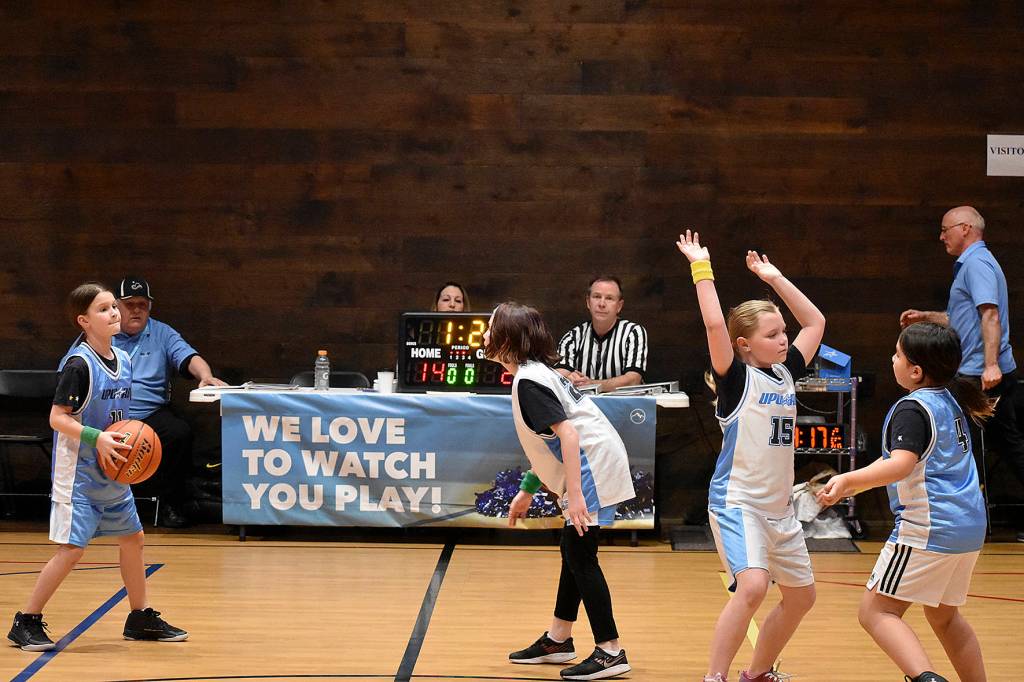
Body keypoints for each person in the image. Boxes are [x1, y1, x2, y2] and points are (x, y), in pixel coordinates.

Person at [676, 230, 825, 682]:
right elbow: (716, 326)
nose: (785, 340)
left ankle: (756, 672)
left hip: (780, 510)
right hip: (738, 504)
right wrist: (701, 268)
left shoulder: (786, 372)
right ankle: (714, 677)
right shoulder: (737, 379)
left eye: (783, 333)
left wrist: (774, 277)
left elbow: (815, 323)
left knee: (802, 597)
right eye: (773, 334)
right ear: (744, 346)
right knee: (754, 585)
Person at [7, 282, 187, 652]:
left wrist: (129, 440)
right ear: (84, 321)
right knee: (72, 550)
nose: (114, 313)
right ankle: (26, 621)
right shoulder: (78, 364)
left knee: (133, 540)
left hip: (113, 471)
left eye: (113, 307)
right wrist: (98, 438)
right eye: (104, 309)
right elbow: (58, 419)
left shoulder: (122, 360)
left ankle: (139, 617)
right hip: (79, 475)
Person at [818, 322, 992, 682]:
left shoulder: (912, 408)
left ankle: (926, 679)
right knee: (944, 616)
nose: (891, 359)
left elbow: (901, 465)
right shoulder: (950, 400)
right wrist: (852, 485)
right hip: (969, 528)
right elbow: (906, 462)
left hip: (930, 529)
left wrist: (849, 478)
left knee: (876, 612)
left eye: (898, 354)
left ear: (915, 370)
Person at [485, 301, 634, 681]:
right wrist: (528, 491)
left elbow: (568, 434)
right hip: (589, 463)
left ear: (506, 340)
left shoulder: (530, 381)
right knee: (574, 551)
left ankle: (610, 651)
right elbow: (546, 443)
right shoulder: (533, 374)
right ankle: (558, 639)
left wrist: (578, 495)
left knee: (580, 554)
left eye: (490, 327)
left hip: (591, 467)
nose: (484, 334)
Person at [900, 206, 1023, 541]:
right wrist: (926, 316)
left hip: (980, 376)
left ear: (965, 228)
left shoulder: (978, 264)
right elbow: (962, 318)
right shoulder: (972, 266)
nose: (942, 237)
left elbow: (990, 315)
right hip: (976, 372)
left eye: (945, 229)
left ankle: (952, 519)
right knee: (1001, 444)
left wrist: (991, 363)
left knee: (969, 444)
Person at [113, 276, 226, 528]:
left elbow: (188, 356)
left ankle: (170, 504)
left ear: (149, 307)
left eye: (142, 304)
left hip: (149, 414)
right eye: (129, 304)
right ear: (116, 307)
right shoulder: (101, 333)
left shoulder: (161, 332)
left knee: (179, 433)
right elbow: (73, 365)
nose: (136, 310)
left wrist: (205, 375)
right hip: (109, 415)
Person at [555, 276, 647, 392]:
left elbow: (633, 380)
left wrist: (591, 384)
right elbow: (557, 376)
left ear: (619, 306)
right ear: (588, 302)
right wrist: (567, 378)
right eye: (597, 297)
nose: (602, 304)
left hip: (623, 407)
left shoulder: (633, 332)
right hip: (583, 408)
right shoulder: (572, 337)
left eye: (609, 298)